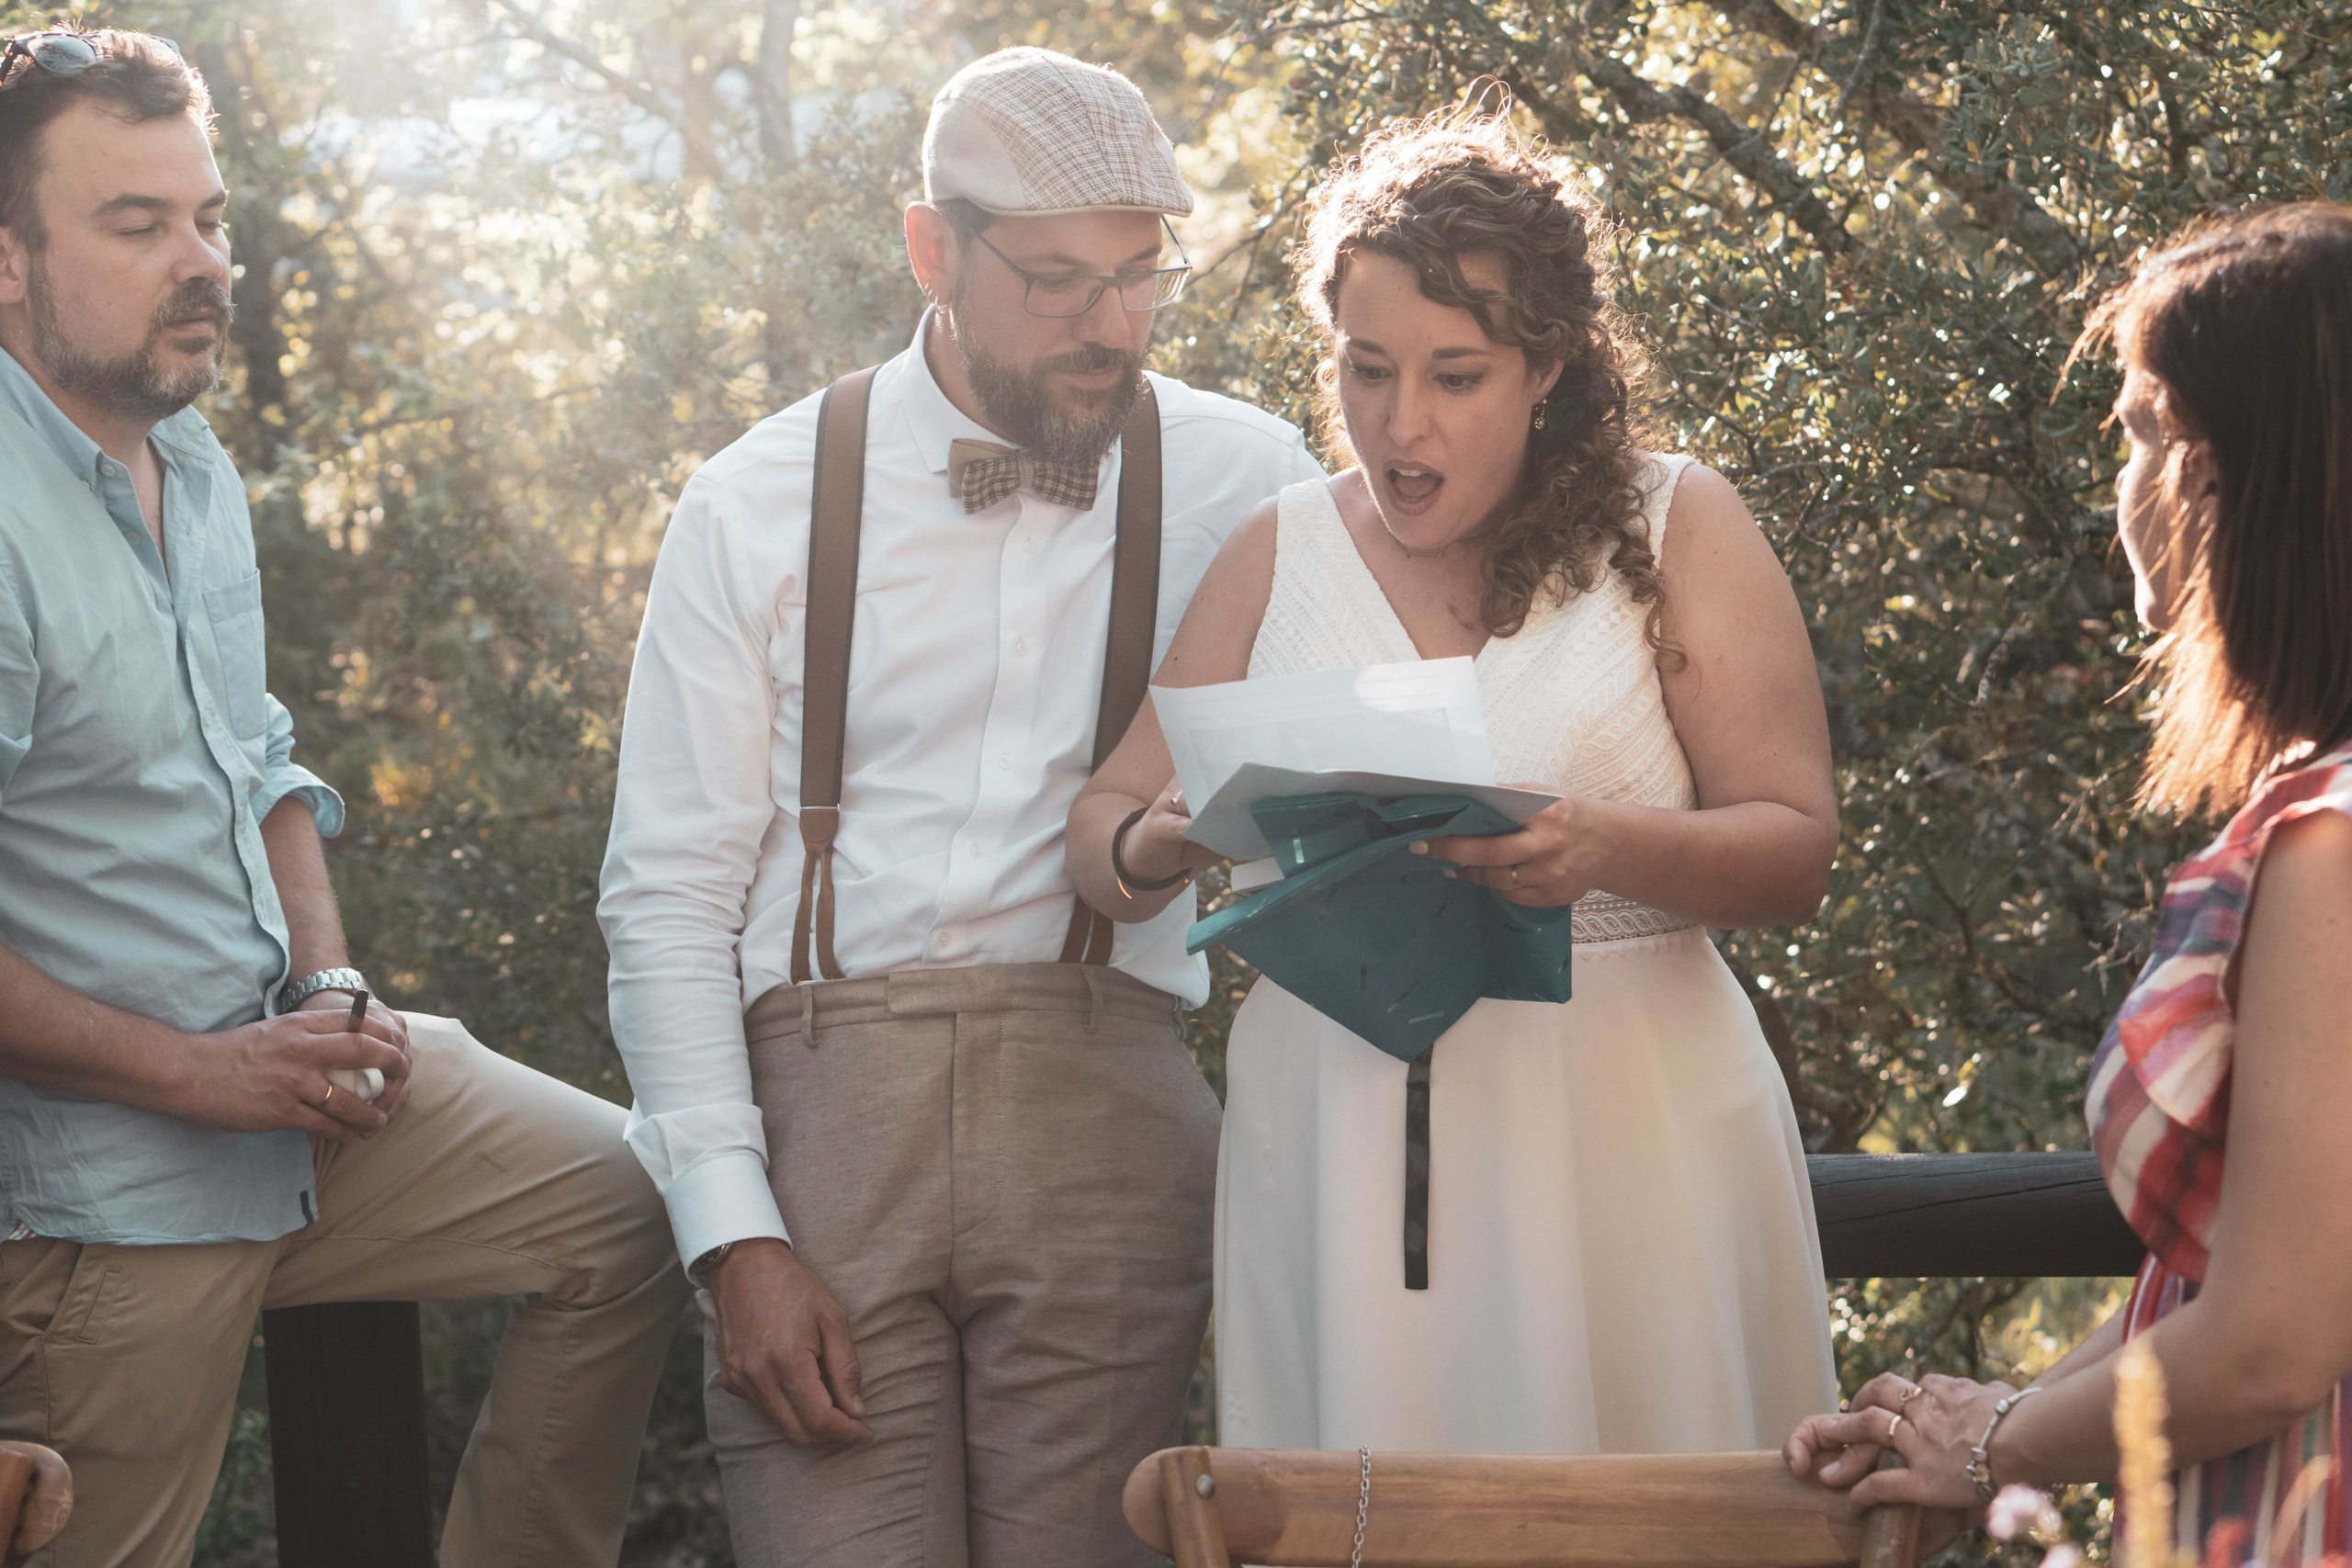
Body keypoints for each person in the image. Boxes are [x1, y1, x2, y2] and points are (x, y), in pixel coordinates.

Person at [596, 46, 1323, 1568]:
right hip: (819, 1122)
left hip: (1109, 1108)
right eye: (1057, 281)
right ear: (933, 248)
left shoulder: (1249, 480)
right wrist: (735, 1236)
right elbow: (666, 894)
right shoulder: (755, 499)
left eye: (1139, 278)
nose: (1109, 327)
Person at [0, 28, 691, 1567]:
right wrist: (205, 1077)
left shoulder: (198, 467)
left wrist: (329, 983)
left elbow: (260, 762)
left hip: (302, 1116)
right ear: (7, 263)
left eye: (211, 218)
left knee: (632, 1208)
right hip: (103, 1208)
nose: (199, 263)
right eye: (135, 225)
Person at [1069, 108, 1839, 1454]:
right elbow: (1100, 835)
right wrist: (1164, 841)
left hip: (1634, 1133)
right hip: (1341, 1145)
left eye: (1456, 376)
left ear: (1548, 365)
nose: (1399, 424)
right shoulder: (1277, 550)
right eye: (1367, 370)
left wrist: (1604, 847)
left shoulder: (1675, 522)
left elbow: (1797, 850)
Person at [1786, 204, 2352, 1563]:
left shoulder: (2332, 846)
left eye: (2145, 428)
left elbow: (2275, 1338)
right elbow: (2210, 1283)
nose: (2130, 475)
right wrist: (1991, 1418)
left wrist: (1995, 1449)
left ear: (2226, 475)